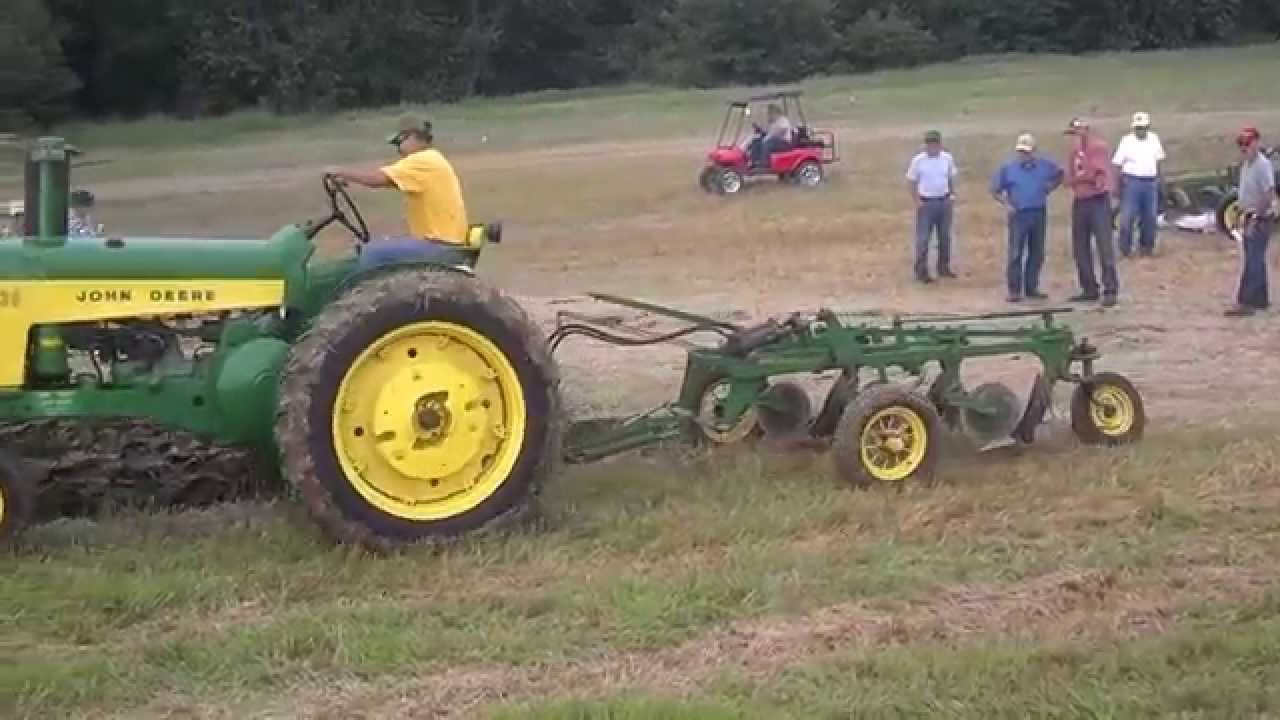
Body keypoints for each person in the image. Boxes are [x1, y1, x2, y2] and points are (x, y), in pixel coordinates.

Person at [328, 116, 472, 270]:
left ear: (412, 136)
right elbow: (388, 181)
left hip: (440, 247)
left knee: (371, 254)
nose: (398, 150)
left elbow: (376, 179)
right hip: (445, 245)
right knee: (377, 248)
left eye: (399, 143)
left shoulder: (423, 160)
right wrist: (346, 177)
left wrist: (340, 172)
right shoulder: (432, 160)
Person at [990, 134, 1064, 303]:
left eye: (1027, 152)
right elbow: (995, 190)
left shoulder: (1045, 165)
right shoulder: (1008, 168)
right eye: (1021, 152)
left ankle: (1031, 287)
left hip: (1038, 212)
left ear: (1034, 152)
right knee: (1016, 252)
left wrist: (1050, 187)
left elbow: (1060, 173)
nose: (1024, 155)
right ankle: (1014, 290)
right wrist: (1007, 204)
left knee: (1036, 252)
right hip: (1019, 214)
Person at [1063, 117, 1120, 307]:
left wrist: (1077, 180)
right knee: (1080, 246)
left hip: (1097, 200)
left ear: (1086, 130)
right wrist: (1075, 180)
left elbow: (1097, 175)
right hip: (1081, 199)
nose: (1075, 137)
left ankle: (1110, 289)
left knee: (1104, 246)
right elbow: (1073, 174)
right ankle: (1089, 287)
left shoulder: (1097, 148)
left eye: (1077, 132)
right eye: (1073, 134)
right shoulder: (1074, 151)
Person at [1225, 126, 1277, 317]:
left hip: (1259, 218)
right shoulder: (1247, 164)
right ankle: (1260, 299)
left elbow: (1268, 194)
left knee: (1253, 260)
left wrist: (1256, 217)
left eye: (1247, 143)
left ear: (1256, 143)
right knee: (1255, 258)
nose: (1244, 147)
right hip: (1247, 215)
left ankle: (1246, 302)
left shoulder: (1262, 165)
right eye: (1241, 144)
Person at [905, 130, 958, 283]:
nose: (932, 147)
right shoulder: (918, 161)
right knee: (923, 238)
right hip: (926, 203)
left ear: (940, 144)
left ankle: (943, 267)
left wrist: (952, 194)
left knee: (944, 237)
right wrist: (917, 200)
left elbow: (950, 178)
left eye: (935, 144)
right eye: (929, 144)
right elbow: (911, 181)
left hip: (944, 202)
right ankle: (921, 271)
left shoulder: (947, 158)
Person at [1112, 111, 1165, 257]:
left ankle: (1146, 247)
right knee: (1127, 217)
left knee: (1150, 217)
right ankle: (1125, 248)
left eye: (1142, 127)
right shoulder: (1126, 141)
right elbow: (1117, 164)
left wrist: (1160, 180)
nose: (1140, 130)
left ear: (1147, 127)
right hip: (1132, 182)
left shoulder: (1154, 139)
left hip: (1150, 182)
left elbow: (1159, 161)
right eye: (1138, 128)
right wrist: (1116, 185)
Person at [751, 104, 793, 169]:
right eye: (769, 113)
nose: (769, 115)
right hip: (775, 141)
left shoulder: (783, 120)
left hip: (784, 143)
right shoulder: (772, 122)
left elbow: (782, 129)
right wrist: (759, 129)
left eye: (770, 113)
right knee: (756, 141)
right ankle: (755, 162)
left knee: (768, 143)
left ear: (776, 112)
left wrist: (772, 133)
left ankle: (764, 164)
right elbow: (768, 132)